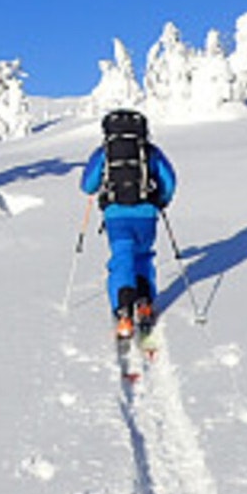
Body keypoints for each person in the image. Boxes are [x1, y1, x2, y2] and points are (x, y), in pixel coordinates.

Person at [80, 109, 176, 339]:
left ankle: (123, 311)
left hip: (116, 215)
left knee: (122, 258)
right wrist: (160, 201)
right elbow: (169, 180)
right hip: (146, 214)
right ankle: (144, 304)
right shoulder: (150, 151)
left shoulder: (105, 152)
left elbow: (87, 184)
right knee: (142, 256)